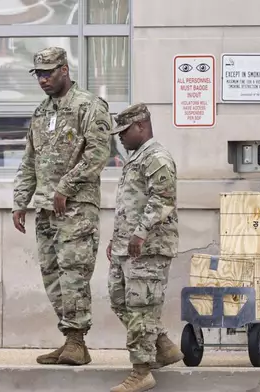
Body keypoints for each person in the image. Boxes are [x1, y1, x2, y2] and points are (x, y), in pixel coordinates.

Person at [12, 47, 112, 365]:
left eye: (49, 72)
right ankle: (70, 338)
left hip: (76, 207)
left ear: (65, 70)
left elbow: (98, 154)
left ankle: (76, 340)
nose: (42, 79)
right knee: (52, 274)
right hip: (44, 207)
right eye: (39, 74)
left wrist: (66, 186)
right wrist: (20, 201)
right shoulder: (42, 112)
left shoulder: (90, 106)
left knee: (73, 274)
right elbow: (30, 159)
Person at [106, 103, 183, 392]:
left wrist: (139, 235)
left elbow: (162, 199)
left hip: (149, 248)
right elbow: (131, 205)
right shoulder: (138, 157)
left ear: (141, 126)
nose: (120, 138)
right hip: (129, 248)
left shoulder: (157, 157)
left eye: (124, 132)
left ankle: (142, 371)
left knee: (141, 307)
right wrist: (119, 240)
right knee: (118, 299)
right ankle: (162, 345)